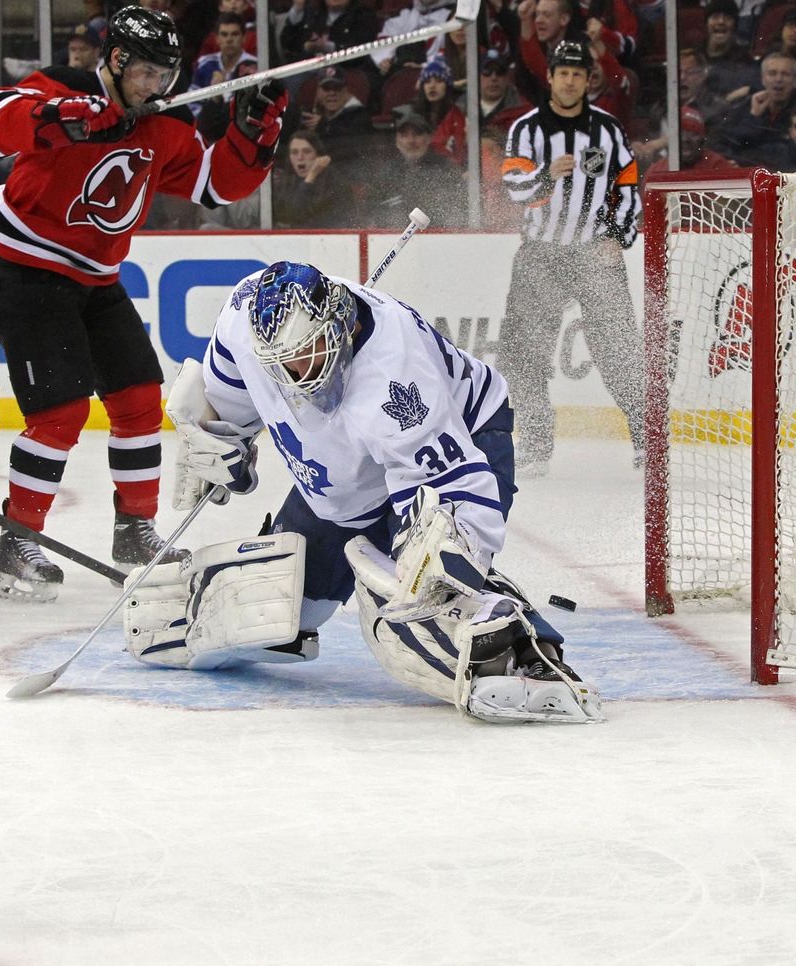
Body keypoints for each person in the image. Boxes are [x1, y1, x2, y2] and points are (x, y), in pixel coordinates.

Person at [152, 260, 602, 723]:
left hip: (459, 441)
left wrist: (448, 560)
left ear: (342, 325)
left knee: (421, 592)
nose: (297, 375)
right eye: (282, 364)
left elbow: (457, 487)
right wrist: (217, 442)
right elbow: (226, 403)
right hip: (345, 476)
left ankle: (530, 653)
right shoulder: (243, 317)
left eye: (307, 354)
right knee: (273, 610)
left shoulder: (395, 377)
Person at [0, 4, 286, 601]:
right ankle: (19, 541)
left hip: (96, 278)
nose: (156, 86)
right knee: (61, 414)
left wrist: (253, 137)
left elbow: (214, 184)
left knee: (140, 400)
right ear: (115, 60)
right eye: (146, 73)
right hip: (25, 269)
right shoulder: (64, 87)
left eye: (165, 75)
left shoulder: (164, 122)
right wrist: (59, 118)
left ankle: (135, 532)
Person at [501, 40, 643, 478]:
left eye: (577, 74)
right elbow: (514, 187)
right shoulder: (526, 129)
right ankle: (536, 445)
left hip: (593, 256)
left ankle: (649, 441)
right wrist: (546, 177)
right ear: (549, 77)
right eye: (562, 73)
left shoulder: (608, 130)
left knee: (620, 351)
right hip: (540, 256)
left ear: (587, 80)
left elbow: (628, 184)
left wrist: (617, 235)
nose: (569, 81)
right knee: (523, 353)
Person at [364, 105, 466, 227]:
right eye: (405, 135)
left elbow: (459, 208)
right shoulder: (387, 171)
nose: (411, 140)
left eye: (417, 134)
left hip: (436, 234)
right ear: (397, 141)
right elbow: (372, 209)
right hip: (394, 234)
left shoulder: (445, 168)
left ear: (429, 138)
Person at [714, 50, 796, 167]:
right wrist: (753, 116)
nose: (778, 79)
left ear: (794, 80)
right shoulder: (745, 106)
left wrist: (743, 163)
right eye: (772, 73)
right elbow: (722, 143)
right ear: (763, 79)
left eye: (785, 74)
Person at [272, 131, 356, 228]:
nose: (300, 157)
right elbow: (285, 216)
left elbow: (299, 214)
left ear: (318, 155)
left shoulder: (335, 182)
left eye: (307, 151)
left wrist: (311, 176)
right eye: (294, 152)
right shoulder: (285, 182)